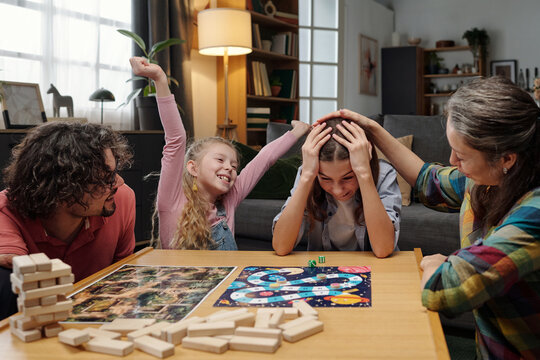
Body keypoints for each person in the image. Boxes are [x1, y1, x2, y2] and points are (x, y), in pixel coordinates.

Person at [318, 76, 540, 359]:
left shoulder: (533, 214)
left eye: (461, 155)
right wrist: (374, 130)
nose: (452, 162)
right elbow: (429, 181)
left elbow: (444, 287)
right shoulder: (486, 181)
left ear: (507, 159)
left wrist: (440, 262)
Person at [129, 57, 310, 250]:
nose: (229, 168)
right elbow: (176, 138)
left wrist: (297, 132)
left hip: (225, 279)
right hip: (180, 280)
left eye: (234, 166)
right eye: (220, 160)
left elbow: (264, 160)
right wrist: (159, 79)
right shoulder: (172, 199)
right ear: (193, 167)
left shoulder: (230, 199)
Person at [0, 121, 135, 319]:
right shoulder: (6, 209)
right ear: (63, 186)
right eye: (106, 177)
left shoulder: (122, 198)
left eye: (115, 173)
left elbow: (123, 275)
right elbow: (15, 267)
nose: (119, 183)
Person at [272, 117, 401, 257]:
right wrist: (307, 176)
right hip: (324, 271)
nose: (338, 191)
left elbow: (383, 249)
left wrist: (364, 174)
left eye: (348, 177)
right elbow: (281, 246)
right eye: (326, 178)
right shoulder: (309, 174)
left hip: (374, 269)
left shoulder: (384, 174)